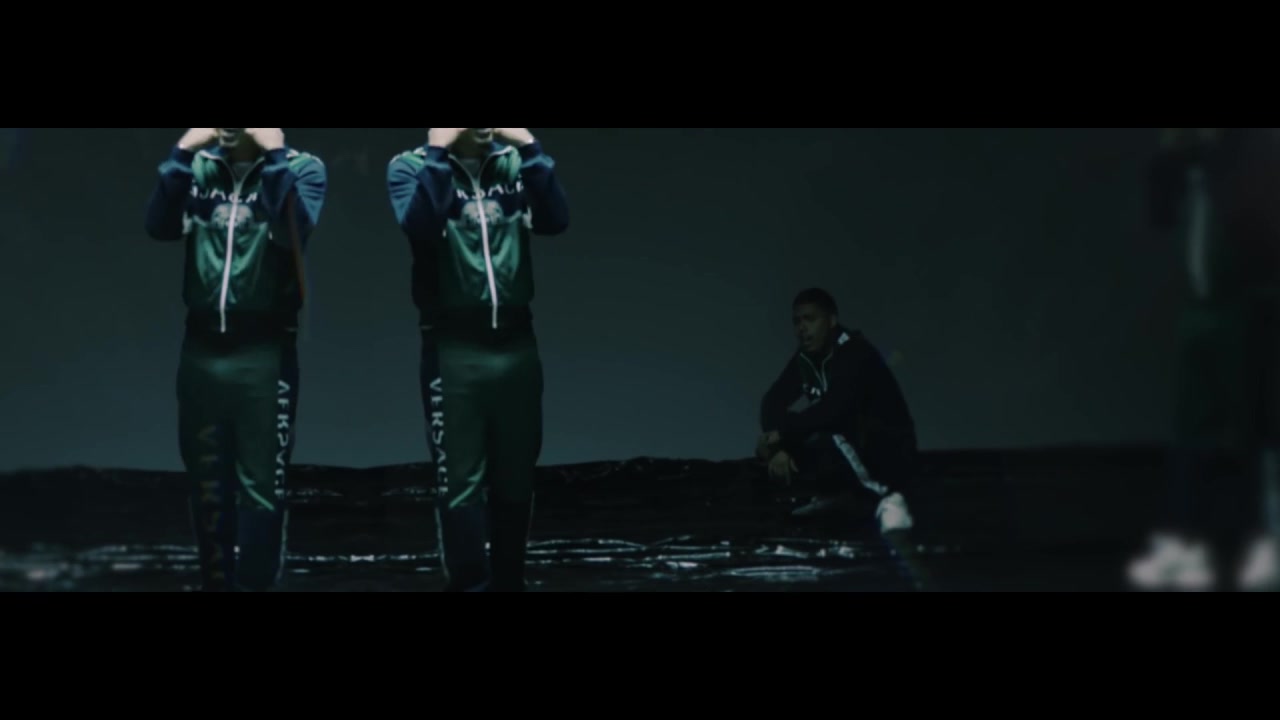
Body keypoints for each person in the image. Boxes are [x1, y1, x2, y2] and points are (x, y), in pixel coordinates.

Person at [144, 128, 328, 592]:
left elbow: (292, 234)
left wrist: (275, 157)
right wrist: (180, 154)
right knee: (207, 489)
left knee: (262, 490)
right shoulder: (198, 169)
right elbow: (160, 226)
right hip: (201, 354)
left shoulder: (303, 169)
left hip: (264, 357)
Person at [387, 128, 569, 592]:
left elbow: (555, 220)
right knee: (460, 483)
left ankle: (510, 583)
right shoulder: (409, 167)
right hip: (453, 351)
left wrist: (530, 148)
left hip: (517, 346)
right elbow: (420, 227)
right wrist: (437, 153)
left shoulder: (514, 164)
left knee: (516, 479)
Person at [1128, 128, 1280, 592]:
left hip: (1249, 304)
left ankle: (1261, 541)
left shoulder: (1250, 155)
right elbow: (1162, 215)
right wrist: (1174, 162)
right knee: (1195, 428)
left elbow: (1256, 225)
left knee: (1252, 426)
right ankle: (1188, 541)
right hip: (1206, 307)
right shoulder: (1191, 169)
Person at [758, 288, 918, 534]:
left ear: (832, 320)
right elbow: (771, 403)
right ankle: (834, 495)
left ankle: (889, 498)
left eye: (810, 319)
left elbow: (835, 409)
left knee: (823, 428)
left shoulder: (856, 352)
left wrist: (784, 435)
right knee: (770, 446)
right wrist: (779, 447)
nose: (802, 328)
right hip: (846, 445)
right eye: (797, 321)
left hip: (886, 450)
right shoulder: (805, 359)